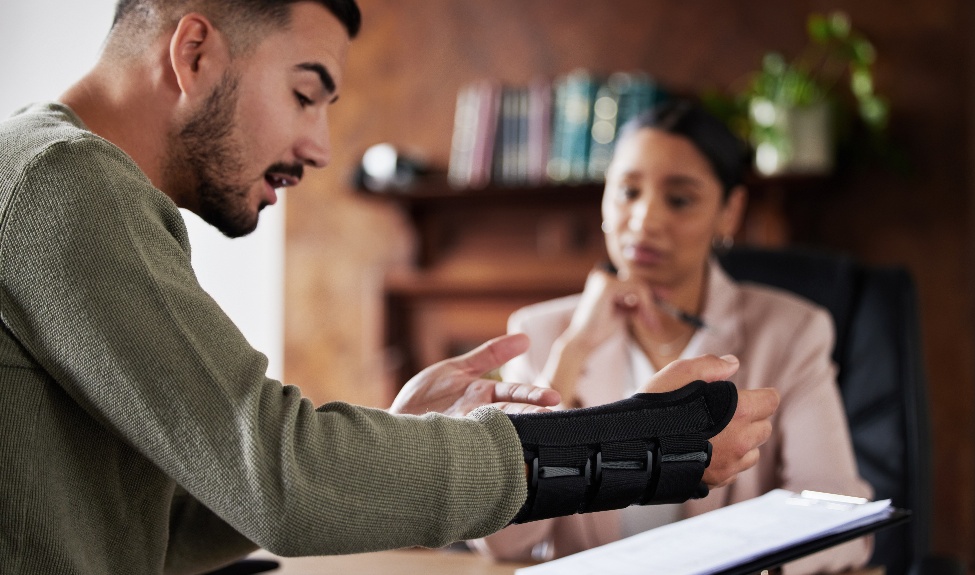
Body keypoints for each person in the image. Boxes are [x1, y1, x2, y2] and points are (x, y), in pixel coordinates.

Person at [0, 2, 780, 574]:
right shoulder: (62, 181)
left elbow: (173, 520)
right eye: (305, 94)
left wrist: (396, 433)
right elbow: (277, 479)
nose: (319, 146)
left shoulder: (52, 178)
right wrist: (649, 440)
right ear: (194, 51)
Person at [472, 99, 872, 575]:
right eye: (628, 192)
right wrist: (573, 350)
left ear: (729, 211)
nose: (644, 220)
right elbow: (504, 542)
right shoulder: (541, 333)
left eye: (679, 200)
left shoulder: (792, 332)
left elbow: (836, 513)